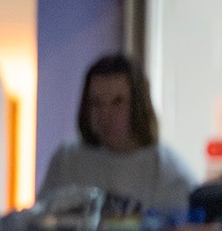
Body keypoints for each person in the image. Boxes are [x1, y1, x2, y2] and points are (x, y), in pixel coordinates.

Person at [38, 54, 197, 213]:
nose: (105, 115)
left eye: (117, 102)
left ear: (138, 105)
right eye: (96, 103)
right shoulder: (66, 160)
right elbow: (38, 221)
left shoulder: (168, 172)